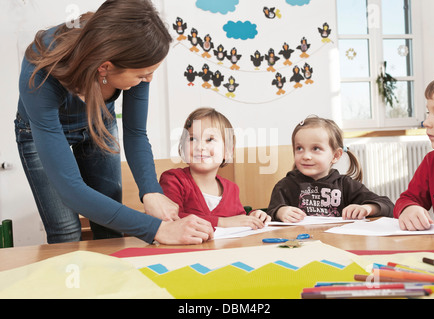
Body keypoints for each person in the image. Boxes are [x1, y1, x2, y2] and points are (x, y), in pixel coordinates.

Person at [15, 0, 213, 245]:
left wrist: (150, 191)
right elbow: (71, 190)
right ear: (105, 67)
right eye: (142, 75)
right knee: (66, 231)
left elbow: (135, 132)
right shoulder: (39, 74)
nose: (148, 79)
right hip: (39, 130)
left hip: (98, 121)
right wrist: (157, 229)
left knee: (109, 227)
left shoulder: (133, 54)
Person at [267, 115, 394, 222]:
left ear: (336, 155)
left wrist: (368, 208)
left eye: (316, 148)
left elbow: (388, 206)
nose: (305, 156)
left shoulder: (345, 185)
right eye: (299, 148)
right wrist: (280, 212)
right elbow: (269, 214)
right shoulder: (285, 186)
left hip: (337, 244)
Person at [160, 108, 271, 229]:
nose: (200, 146)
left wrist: (253, 216)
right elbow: (172, 218)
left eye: (210, 139)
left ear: (227, 152)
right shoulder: (173, 180)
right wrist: (222, 222)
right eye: (192, 139)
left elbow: (239, 218)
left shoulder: (232, 189)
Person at [394, 73, 434, 230]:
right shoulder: (432, 161)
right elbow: (407, 198)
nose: (426, 122)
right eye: (428, 113)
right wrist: (408, 209)